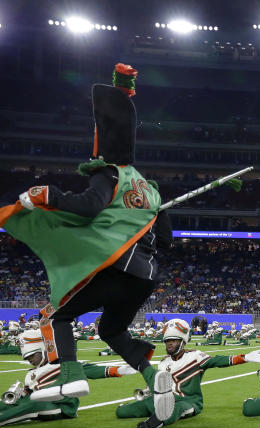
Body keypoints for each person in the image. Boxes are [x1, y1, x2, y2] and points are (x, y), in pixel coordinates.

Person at [3, 64, 172, 404]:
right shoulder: (149, 190)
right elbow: (166, 240)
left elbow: (88, 207)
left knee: (58, 314)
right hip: (147, 276)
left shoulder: (108, 172)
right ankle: (155, 378)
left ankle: (71, 377)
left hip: (119, 267)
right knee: (111, 330)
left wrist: (49, 195)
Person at [116, 319, 260, 428]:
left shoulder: (195, 356)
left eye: (174, 340)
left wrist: (243, 358)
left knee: (176, 409)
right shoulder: (163, 362)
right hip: (163, 397)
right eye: (168, 341)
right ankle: (157, 412)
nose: (170, 344)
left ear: (183, 341)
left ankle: (159, 420)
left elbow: (217, 361)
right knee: (122, 412)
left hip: (188, 401)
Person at [1, 329, 138, 427]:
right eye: (27, 358)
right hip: (37, 401)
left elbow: (89, 370)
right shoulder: (31, 373)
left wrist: (120, 369)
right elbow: (30, 392)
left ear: (44, 350)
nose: (30, 360)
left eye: (32, 355)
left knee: (33, 405)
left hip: (60, 406)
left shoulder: (63, 364)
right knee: (7, 402)